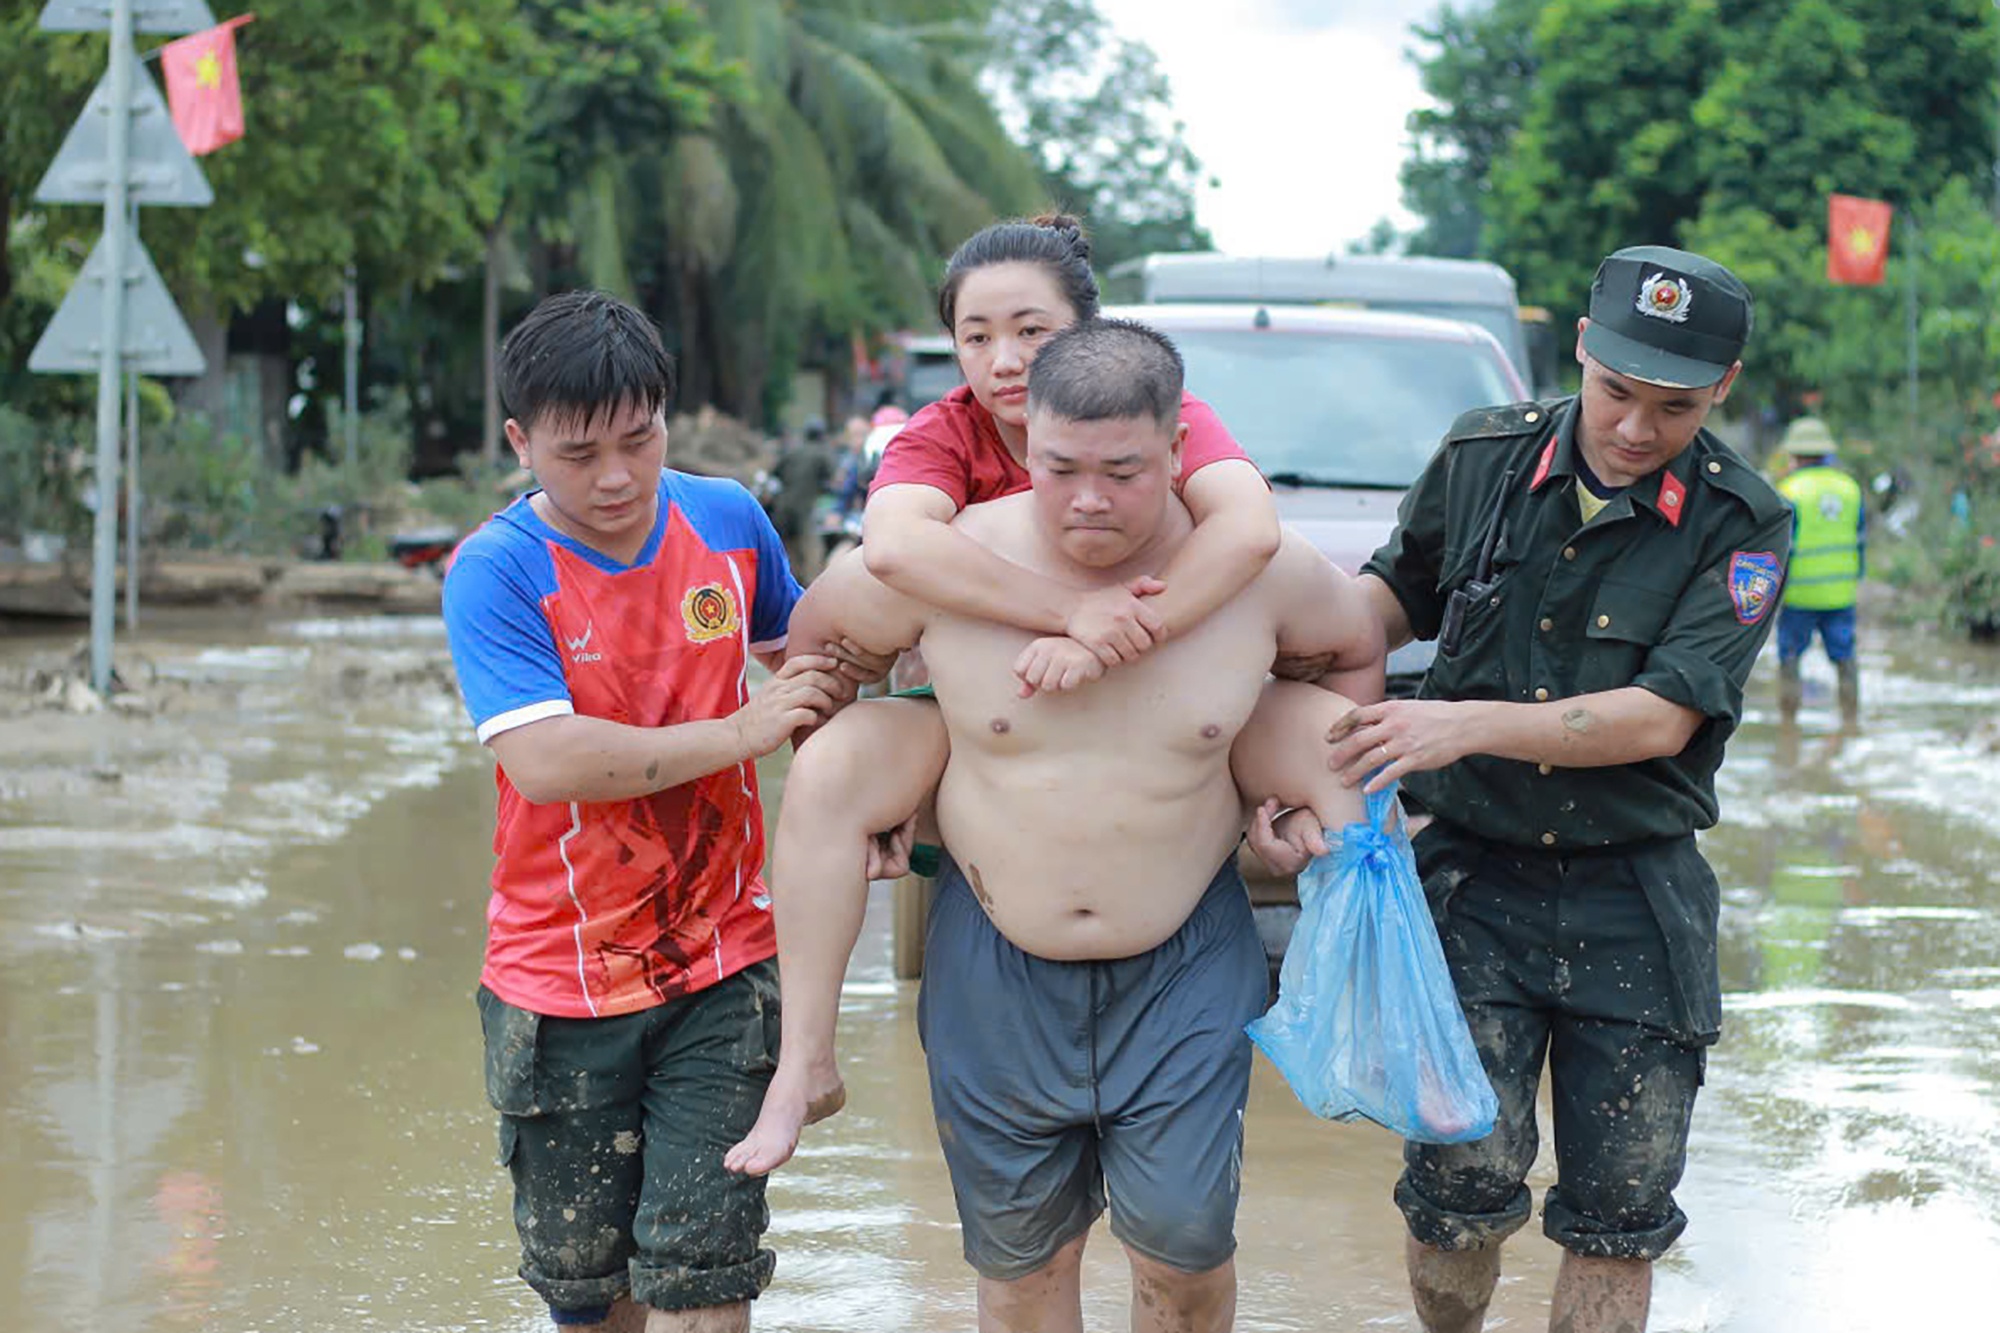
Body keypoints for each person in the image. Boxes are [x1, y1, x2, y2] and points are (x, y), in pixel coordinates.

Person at [760, 317, 1379, 1333]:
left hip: (1180, 956)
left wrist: (1291, 799)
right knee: (1019, 1271)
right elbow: (819, 643)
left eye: (1124, 471)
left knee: (1184, 1252)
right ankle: (802, 1062)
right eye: (1059, 468)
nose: (1088, 498)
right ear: (1025, 449)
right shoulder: (945, 566)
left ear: (1179, 452)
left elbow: (1350, 643)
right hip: (996, 960)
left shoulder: (1253, 573)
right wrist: (878, 810)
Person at [724, 214, 1329, 1176]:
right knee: (836, 767)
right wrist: (1070, 615)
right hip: (977, 713)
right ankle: (805, 1062)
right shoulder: (943, 433)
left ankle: (1372, 1040)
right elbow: (888, 554)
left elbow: (1248, 530)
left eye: (1031, 333)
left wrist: (1125, 635)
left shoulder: (1150, 412)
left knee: (1339, 741)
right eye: (975, 336)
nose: (1003, 361)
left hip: (1163, 715)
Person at [1256, 246, 1791, 1333]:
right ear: (1582, 350)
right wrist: (1271, 743)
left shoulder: (1742, 523)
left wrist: (1462, 723)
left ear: (1722, 390)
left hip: (1635, 895)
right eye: (1616, 392)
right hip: (1469, 887)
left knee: (1617, 1209)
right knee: (1457, 1192)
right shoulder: (1483, 459)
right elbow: (1372, 613)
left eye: (1675, 407)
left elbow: (1661, 717)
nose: (1635, 429)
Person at [440, 291, 859, 1333]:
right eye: (579, 452)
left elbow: (809, 667)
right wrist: (738, 735)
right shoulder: (498, 571)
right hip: (559, 982)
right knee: (595, 1299)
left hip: (724, 966)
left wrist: (865, 783)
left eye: (640, 438)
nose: (618, 476)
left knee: (703, 1277)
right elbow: (543, 762)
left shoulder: (725, 518)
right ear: (519, 441)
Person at [1774, 415, 1864, 723]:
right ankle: (1851, 722)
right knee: (1846, 658)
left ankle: (1789, 725)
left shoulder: (1789, 490)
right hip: (1840, 593)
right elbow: (1860, 538)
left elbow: (1777, 546)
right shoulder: (1850, 488)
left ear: (1795, 454)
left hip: (1798, 593)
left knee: (1789, 657)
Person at [768, 419, 836, 582]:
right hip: (807, 509)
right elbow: (832, 479)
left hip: (783, 508)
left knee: (788, 551)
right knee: (812, 552)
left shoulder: (793, 452)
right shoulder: (822, 453)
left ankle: (790, 585)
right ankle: (812, 591)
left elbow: (775, 474)